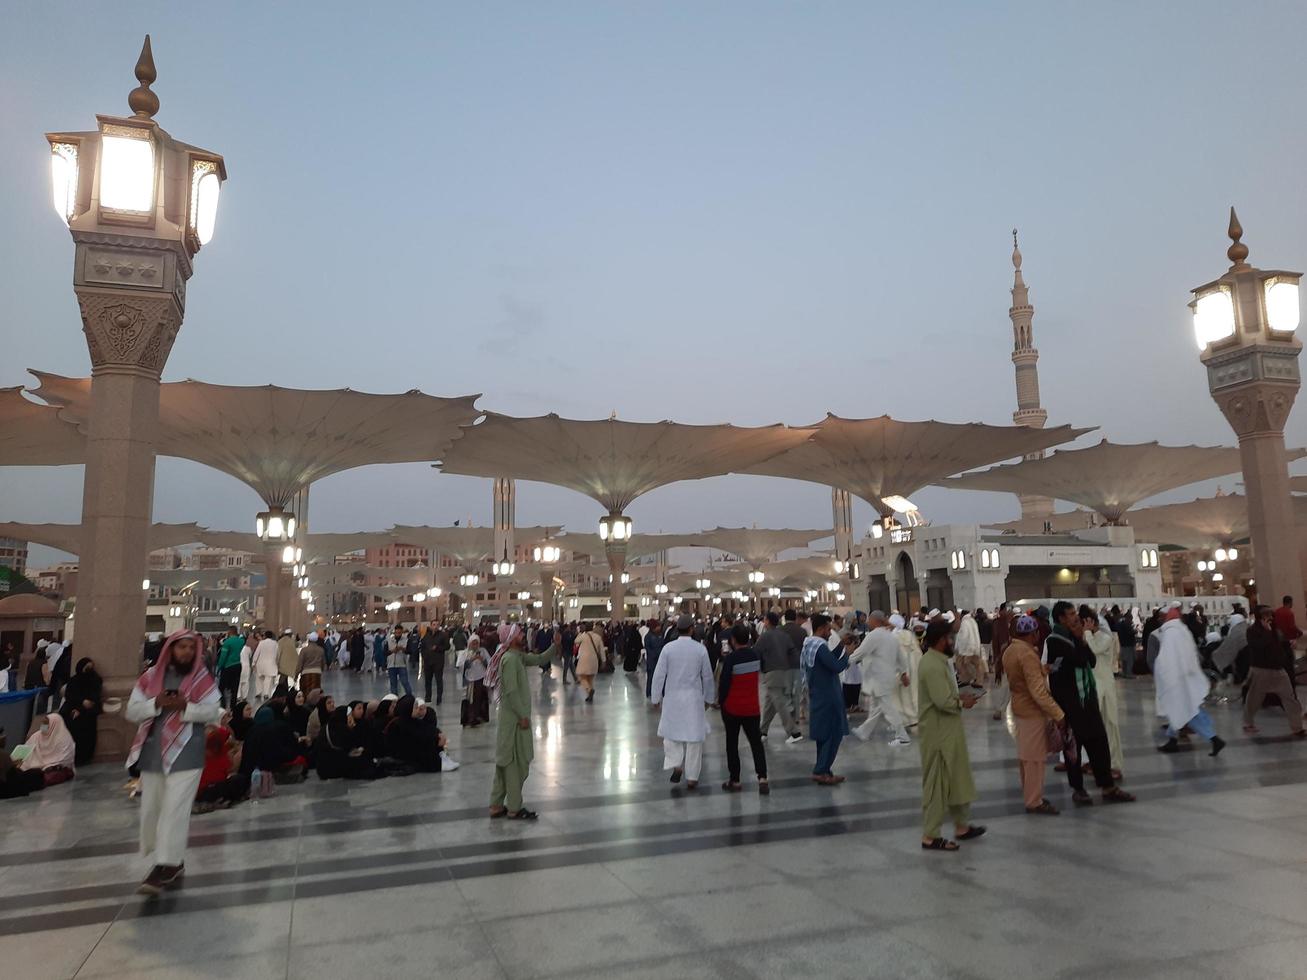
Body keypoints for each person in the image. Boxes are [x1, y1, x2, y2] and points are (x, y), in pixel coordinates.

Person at [125, 629, 222, 895]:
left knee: (174, 810)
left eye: (192, 648)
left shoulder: (201, 678)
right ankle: (174, 861)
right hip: (154, 751)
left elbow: (214, 711)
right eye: (182, 647)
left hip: (188, 752)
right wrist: (155, 703)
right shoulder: (150, 677)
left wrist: (185, 707)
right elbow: (132, 711)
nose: (187, 653)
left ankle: (163, 866)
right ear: (171, 649)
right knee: (152, 809)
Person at [1046, 601, 1135, 805]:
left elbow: (1091, 661)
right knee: (1073, 750)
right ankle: (1078, 790)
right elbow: (1077, 660)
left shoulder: (1075, 637)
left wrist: (1082, 640)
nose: (1075, 618)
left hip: (1087, 699)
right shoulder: (1055, 640)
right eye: (1070, 614)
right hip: (1069, 705)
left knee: (1099, 742)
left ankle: (1107, 786)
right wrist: (1080, 639)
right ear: (1060, 618)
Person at [917, 619, 985, 851]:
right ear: (939, 639)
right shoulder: (931, 665)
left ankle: (961, 826)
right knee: (937, 785)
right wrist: (962, 702)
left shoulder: (941, 661)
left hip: (949, 729)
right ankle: (930, 835)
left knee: (957, 779)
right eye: (949, 638)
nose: (952, 642)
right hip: (937, 733)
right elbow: (942, 701)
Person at [487, 625, 554, 819]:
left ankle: (496, 805)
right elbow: (511, 691)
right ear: (511, 638)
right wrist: (522, 716)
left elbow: (539, 659)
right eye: (520, 634)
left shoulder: (517, 656)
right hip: (514, 720)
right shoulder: (509, 660)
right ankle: (514, 808)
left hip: (513, 718)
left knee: (504, 763)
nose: (523, 635)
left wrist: (554, 646)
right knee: (514, 763)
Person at [1003, 615, 1064, 815]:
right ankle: (1034, 801)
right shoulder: (1027, 654)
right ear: (1033, 634)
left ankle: (1031, 794)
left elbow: (1022, 677)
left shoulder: (1011, 650)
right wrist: (1058, 714)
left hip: (1019, 708)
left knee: (1025, 757)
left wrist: (1042, 670)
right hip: (1031, 711)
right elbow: (1037, 691)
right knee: (1035, 759)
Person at [650, 614, 715, 790]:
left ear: (677, 629)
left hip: (672, 698)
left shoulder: (668, 649)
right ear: (692, 629)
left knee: (671, 735)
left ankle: (677, 764)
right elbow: (707, 676)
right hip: (693, 698)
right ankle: (692, 777)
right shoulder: (700, 649)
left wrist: (655, 697)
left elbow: (659, 675)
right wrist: (709, 698)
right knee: (694, 739)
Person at [1155, 602, 1225, 756]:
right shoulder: (1181, 630)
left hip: (1177, 678)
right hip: (1185, 676)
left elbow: (1168, 657)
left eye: (1161, 617)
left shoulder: (1171, 633)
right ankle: (1172, 740)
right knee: (1179, 709)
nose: (1159, 619)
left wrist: (1165, 673)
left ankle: (1214, 739)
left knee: (1188, 712)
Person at [717, 622, 769, 794]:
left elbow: (724, 685)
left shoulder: (731, 659)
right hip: (752, 707)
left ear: (732, 640)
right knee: (756, 744)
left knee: (732, 744)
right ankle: (762, 777)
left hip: (733, 708)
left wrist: (721, 703)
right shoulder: (755, 655)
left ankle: (735, 780)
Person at [850, 610, 911, 746]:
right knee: (876, 707)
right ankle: (864, 731)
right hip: (886, 678)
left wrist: (845, 661)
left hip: (879, 679)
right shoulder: (891, 636)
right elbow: (900, 657)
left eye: (869, 620)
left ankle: (902, 736)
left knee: (888, 709)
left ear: (875, 621)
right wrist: (903, 673)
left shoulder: (874, 635)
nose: (867, 622)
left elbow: (861, 652)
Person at [1243, 604, 1305, 736]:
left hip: (1278, 670)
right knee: (1254, 698)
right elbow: (1258, 646)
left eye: (1271, 615)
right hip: (1261, 670)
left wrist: (1289, 643)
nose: (1269, 618)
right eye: (1266, 615)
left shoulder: (1275, 630)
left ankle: (1297, 727)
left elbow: (1279, 644)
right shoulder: (1252, 631)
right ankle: (1248, 723)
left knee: (1289, 698)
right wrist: (1267, 632)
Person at [802, 614, 850, 785]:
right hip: (828, 695)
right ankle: (821, 770)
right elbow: (835, 666)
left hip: (819, 694)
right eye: (828, 629)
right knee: (833, 734)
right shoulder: (820, 647)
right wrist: (847, 656)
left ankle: (824, 770)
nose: (830, 633)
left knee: (823, 735)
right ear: (821, 628)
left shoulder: (810, 643)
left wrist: (842, 645)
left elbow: (827, 660)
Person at [1082, 608, 1124, 780]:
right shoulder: (1087, 637)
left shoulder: (1106, 638)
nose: (1085, 625)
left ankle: (1115, 764)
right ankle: (1096, 761)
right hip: (1093, 685)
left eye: (1087, 621)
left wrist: (1087, 633)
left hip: (1105, 686)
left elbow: (1095, 650)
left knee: (1110, 725)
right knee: (1093, 727)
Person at [756, 611, 803, 743]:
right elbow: (793, 653)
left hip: (771, 672)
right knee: (769, 703)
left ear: (768, 622)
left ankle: (793, 732)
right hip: (784, 671)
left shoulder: (765, 636)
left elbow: (756, 652)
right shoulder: (784, 636)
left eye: (765, 620)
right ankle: (762, 731)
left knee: (780, 703)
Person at [59, 657, 103, 766]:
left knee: (83, 724)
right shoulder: (74, 680)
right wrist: (79, 704)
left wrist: (81, 708)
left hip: (88, 710)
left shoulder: (95, 680)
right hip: (73, 707)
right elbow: (70, 696)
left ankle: (82, 756)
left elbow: (94, 699)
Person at [194, 726, 250, 810]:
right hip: (206, 790)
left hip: (208, 790)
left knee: (237, 780)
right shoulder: (215, 752)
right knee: (237, 780)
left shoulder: (217, 751)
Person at [16, 712, 77, 789]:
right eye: (42, 723)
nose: (43, 726)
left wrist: (48, 766)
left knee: (52, 775)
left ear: (53, 724)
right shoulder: (36, 736)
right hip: (34, 768)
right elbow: (24, 751)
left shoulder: (63, 738)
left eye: (46, 723)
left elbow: (65, 760)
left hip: (53, 769)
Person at [460, 635, 490, 727]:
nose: (475, 645)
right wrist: (471, 659)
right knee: (471, 700)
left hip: (481, 678)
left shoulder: (483, 651)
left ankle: (479, 717)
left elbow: (489, 663)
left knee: (480, 698)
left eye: (477, 643)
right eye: (473, 643)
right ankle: (471, 718)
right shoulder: (466, 653)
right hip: (471, 680)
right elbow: (461, 666)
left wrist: (482, 660)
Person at [575, 622, 605, 703]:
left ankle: (589, 690)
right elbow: (602, 650)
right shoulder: (597, 637)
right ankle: (589, 695)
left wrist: (580, 633)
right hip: (594, 660)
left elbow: (576, 641)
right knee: (590, 679)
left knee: (581, 676)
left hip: (584, 660)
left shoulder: (583, 636)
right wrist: (603, 661)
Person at [215, 627, 244, 709]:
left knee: (222, 687)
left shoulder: (227, 642)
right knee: (235, 687)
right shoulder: (241, 641)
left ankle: (223, 705)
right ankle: (233, 706)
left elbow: (223, 656)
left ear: (229, 632)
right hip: (238, 665)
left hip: (228, 666)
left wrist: (220, 666)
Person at [421, 621, 449, 704]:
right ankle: (428, 697)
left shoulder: (443, 635)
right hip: (428, 661)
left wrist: (437, 648)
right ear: (431, 625)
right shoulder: (426, 635)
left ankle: (439, 698)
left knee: (439, 680)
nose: (435, 626)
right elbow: (422, 647)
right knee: (427, 680)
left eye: (437, 625)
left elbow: (447, 646)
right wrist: (424, 656)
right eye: (434, 625)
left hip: (438, 661)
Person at [954, 611, 983, 689]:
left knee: (960, 664)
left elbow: (964, 636)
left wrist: (960, 649)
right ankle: (979, 681)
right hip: (976, 646)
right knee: (977, 665)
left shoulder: (964, 622)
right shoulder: (973, 621)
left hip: (967, 648)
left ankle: (966, 678)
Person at [252, 631, 279, 700]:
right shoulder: (275, 643)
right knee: (268, 679)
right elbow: (277, 654)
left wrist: (253, 663)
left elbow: (257, 653)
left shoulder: (261, 643)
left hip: (260, 663)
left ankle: (258, 692)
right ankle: (266, 693)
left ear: (265, 636)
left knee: (259, 679)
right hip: (271, 664)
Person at [387, 627, 414, 696]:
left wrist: (403, 649)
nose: (398, 634)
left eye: (399, 633)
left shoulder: (406, 640)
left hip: (402, 665)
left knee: (405, 682)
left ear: (402, 632)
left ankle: (410, 697)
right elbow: (385, 652)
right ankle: (394, 699)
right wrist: (392, 651)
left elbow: (410, 651)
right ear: (394, 632)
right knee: (393, 684)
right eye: (396, 633)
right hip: (391, 665)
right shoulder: (389, 640)